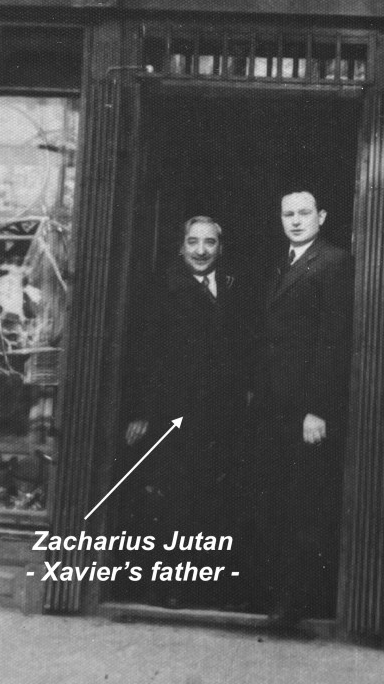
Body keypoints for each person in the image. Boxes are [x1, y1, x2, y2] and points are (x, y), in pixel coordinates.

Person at [124, 216, 248, 607]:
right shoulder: (161, 288)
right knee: (171, 500)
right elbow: (142, 353)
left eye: (209, 242)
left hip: (220, 416)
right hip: (172, 413)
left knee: (212, 498)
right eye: (193, 242)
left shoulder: (232, 287)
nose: (200, 250)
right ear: (181, 247)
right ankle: (168, 587)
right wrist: (141, 411)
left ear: (220, 248)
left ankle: (206, 588)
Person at [253, 189, 354, 632]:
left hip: (305, 409)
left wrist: (317, 408)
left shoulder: (334, 262)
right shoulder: (281, 263)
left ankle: (295, 601)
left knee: (303, 503)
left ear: (322, 216)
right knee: (276, 498)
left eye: (304, 213)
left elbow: (333, 341)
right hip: (274, 405)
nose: (295, 221)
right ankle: (276, 593)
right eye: (288, 214)